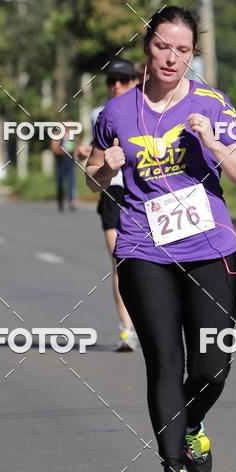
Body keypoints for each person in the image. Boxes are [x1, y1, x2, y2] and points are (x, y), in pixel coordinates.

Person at [86, 6, 236, 472]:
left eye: (183, 50)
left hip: (210, 248)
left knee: (212, 368)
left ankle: (192, 424)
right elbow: (94, 173)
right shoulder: (116, 113)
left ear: (192, 54)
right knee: (164, 361)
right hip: (142, 246)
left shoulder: (213, 104)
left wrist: (210, 141)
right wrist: (105, 169)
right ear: (147, 46)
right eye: (163, 46)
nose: (171, 58)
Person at [90, 59, 140, 352]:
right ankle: (126, 329)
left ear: (135, 81)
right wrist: (86, 152)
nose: (117, 86)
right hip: (114, 191)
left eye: (123, 79)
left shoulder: (149, 109)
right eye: (112, 81)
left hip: (145, 192)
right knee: (120, 261)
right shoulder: (101, 113)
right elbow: (91, 152)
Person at [51, 125, 85, 211]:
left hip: (71, 163)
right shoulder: (58, 135)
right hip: (61, 163)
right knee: (60, 183)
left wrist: (78, 156)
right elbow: (54, 148)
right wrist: (62, 150)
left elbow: (78, 147)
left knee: (71, 183)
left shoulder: (74, 136)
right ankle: (60, 201)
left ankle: (71, 201)